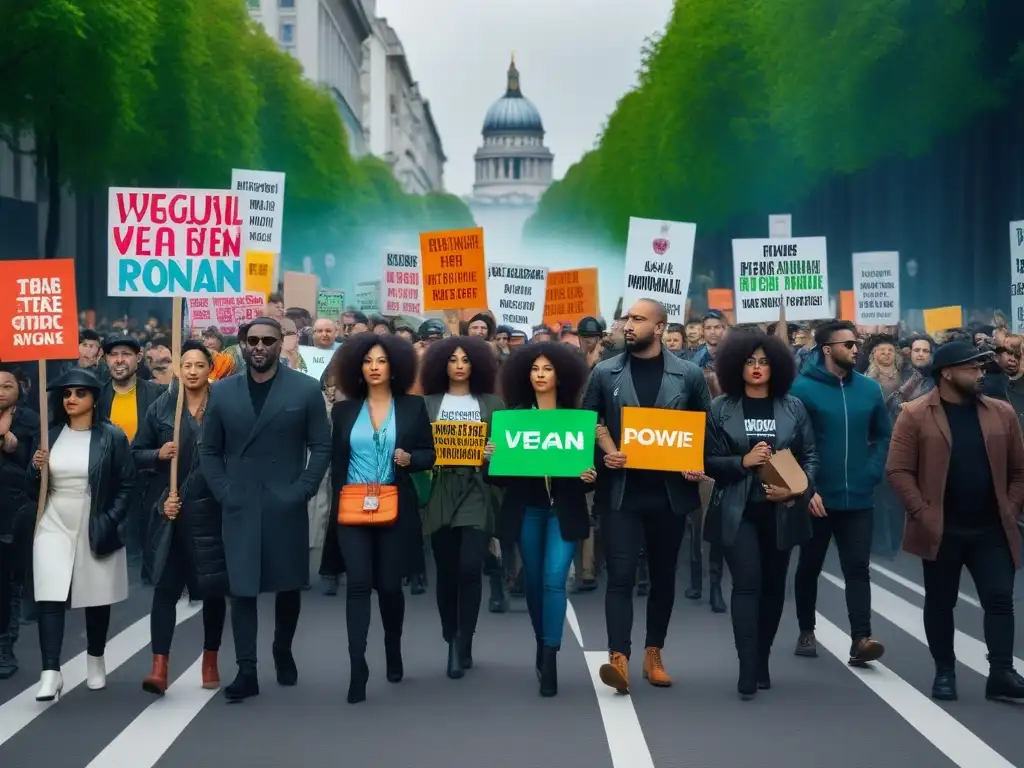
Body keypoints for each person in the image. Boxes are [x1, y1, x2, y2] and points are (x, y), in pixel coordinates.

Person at [583, 298, 712, 693]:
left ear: (659, 327)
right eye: (627, 318)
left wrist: (697, 462)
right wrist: (605, 455)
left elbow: (704, 430)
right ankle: (617, 658)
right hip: (622, 494)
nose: (628, 325)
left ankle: (653, 652)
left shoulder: (689, 375)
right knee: (620, 575)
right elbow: (589, 423)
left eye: (638, 319)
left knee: (662, 577)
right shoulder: (605, 373)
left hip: (669, 495)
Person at [199, 317, 331, 702]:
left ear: (280, 344)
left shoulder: (305, 389)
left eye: (267, 340)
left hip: (285, 503)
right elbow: (209, 450)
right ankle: (247, 670)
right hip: (239, 504)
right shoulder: (222, 393)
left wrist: (304, 489)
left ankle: (283, 649)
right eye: (252, 340)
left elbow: (321, 445)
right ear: (242, 344)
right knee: (242, 590)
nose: (259, 346)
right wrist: (224, 491)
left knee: (287, 585)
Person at [886, 340, 1024, 702]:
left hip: (992, 527)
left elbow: (1019, 471)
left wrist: (1010, 508)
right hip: (942, 527)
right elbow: (898, 470)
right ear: (947, 373)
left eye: (982, 368)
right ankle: (945, 671)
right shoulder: (914, 413)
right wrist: (922, 512)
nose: (981, 373)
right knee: (940, 601)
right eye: (973, 368)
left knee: (999, 598)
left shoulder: (1001, 412)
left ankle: (1001, 672)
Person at [704, 330, 818, 699]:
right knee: (747, 584)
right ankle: (747, 666)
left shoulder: (793, 407)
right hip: (738, 511)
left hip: (781, 511)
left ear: (777, 366)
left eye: (764, 361)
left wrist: (798, 490)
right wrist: (742, 461)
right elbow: (707, 460)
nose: (757, 368)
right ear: (737, 365)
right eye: (750, 361)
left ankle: (762, 657)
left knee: (772, 589)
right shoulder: (721, 408)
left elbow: (810, 456)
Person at [484, 342, 596, 697]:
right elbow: (498, 479)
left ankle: (550, 656)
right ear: (525, 375)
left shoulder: (577, 418)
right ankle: (541, 640)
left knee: (553, 580)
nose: (541, 375)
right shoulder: (512, 418)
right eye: (535, 369)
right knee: (532, 582)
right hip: (528, 510)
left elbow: (589, 472)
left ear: (561, 374)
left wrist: (592, 476)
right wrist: (489, 459)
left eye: (547, 368)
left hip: (563, 510)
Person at [328, 332, 435, 704]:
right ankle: (358, 666)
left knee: (389, 586)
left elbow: (429, 454)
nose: (374, 367)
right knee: (358, 584)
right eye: (367, 361)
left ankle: (393, 648)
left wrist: (411, 459)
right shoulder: (342, 411)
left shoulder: (412, 407)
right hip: (352, 508)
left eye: (381, 361)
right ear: (358, 367)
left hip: (394, 508)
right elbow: (333, 459)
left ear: (395, 368)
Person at [28, 368, 136, 701]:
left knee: (96, 594)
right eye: (66, 394)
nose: (71, 399)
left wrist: (110, 517)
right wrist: (36, 468)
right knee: (50, 593)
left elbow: (127, 484)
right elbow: (33, 489)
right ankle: (50, 672)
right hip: (54, 518)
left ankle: (95, 657)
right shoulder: (48, 435)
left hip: (95, 517)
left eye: (79, 393)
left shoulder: (112, 436)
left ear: (93, 399)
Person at [789, 320, 890, 665]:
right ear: (827, 349)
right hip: (817, 498)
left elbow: (882, 436)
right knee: (809, 567)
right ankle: (806, 630)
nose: (855, 349)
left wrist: (872, 471)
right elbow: (793, 445)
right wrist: (807, 489)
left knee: (858, 569)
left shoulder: (870, 389)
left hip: (859, 498)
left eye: (856, 343)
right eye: (848, 344)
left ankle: (861, 638)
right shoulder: (802, 389)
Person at [133, 341, 229, 695]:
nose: (191, 371)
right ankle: (160, 666)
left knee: (214, 590)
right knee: (166, 590)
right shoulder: (163, 408)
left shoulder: (224, 407)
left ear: (210, 370)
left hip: (212, 512)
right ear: (177, 369)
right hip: (170, 512)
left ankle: (210, 659)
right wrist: (158, 454)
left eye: (198, 365)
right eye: (185, 365)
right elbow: (136, 453)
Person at [419, 335, 503, 679]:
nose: (458, 365)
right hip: (440, 488)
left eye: (465, 359)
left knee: (470, 567)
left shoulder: (494, 405)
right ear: (442, 364)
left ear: (476, 365)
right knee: (447, 569)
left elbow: (507, 454)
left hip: (476, 489)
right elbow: (418, 449)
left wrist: (491, 456)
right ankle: (449, 635)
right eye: (452, 359)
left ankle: (462, 636)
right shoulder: (426, 404)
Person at [0, 365, 40, 680]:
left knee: (7, 583)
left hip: (13, 515)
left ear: (19, 389)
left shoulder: (30, 422)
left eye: (7, 385)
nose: (1, 390)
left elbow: (34, 475)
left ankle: (5, 645)